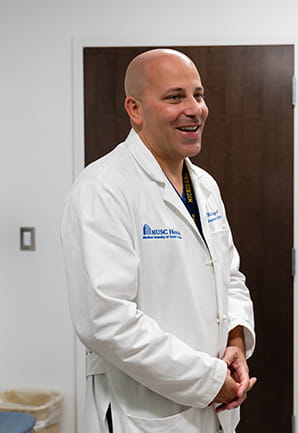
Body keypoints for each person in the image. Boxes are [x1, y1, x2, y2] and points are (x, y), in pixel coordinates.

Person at [61, 48, 256, 433]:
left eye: (198, 95)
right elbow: (106, 321)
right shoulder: (103, 189)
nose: (194, 109)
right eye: (174, 97)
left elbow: (229, 275)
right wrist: (206, 380)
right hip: (146, 414)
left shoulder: (204, 185)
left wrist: (236, 340)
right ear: (135, 109)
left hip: (217, 403)